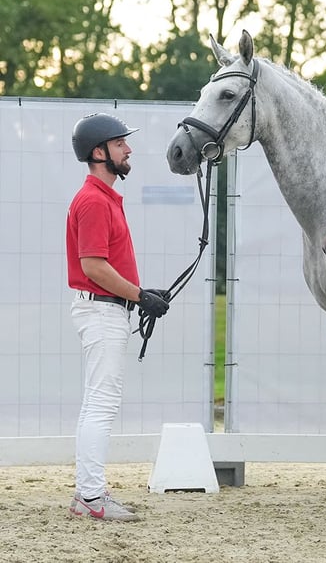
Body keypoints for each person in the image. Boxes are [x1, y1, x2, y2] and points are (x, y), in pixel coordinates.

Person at [66, 113, 170, 522]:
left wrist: (143, 293)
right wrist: (140, 296)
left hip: (108, 308)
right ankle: (91, 498)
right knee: (101, 404)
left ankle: (87, 495)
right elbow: (93, 265)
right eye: (121, 143)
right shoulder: (93, 200)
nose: (129, 149)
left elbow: (106, 266)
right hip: (103, 310)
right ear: (99, 152)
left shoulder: (102, 198)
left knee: (97, 402)